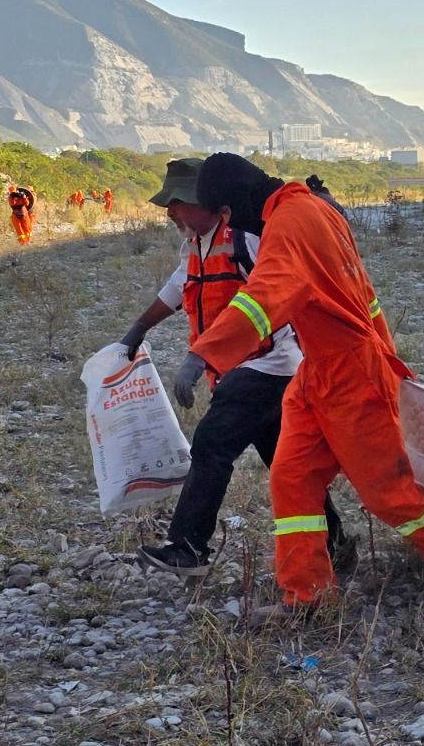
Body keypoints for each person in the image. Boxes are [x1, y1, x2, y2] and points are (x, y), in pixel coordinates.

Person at [178, 154, 424, 621]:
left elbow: (265, 296)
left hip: (349, 374)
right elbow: (361, 295)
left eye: (227, 216)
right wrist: (385, 355)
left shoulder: (290, 223)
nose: (229, 227)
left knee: (387, 491)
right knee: (292, 476)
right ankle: (307, 595)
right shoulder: (312, 208)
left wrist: (203, 354)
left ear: (233, 204)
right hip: (321, 370)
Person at [121, 158, 350, 579]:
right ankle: (336, 544)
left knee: (212, 445)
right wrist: (138, 329)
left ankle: (187, 548)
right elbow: (177, 287)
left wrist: (200, 358)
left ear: (208, 203)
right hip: (240, 370)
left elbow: (275, 291)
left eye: (176, 204)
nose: (170, 213)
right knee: (285, 461)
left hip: (267, 366)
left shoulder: (247, 238)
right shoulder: (197, 243)